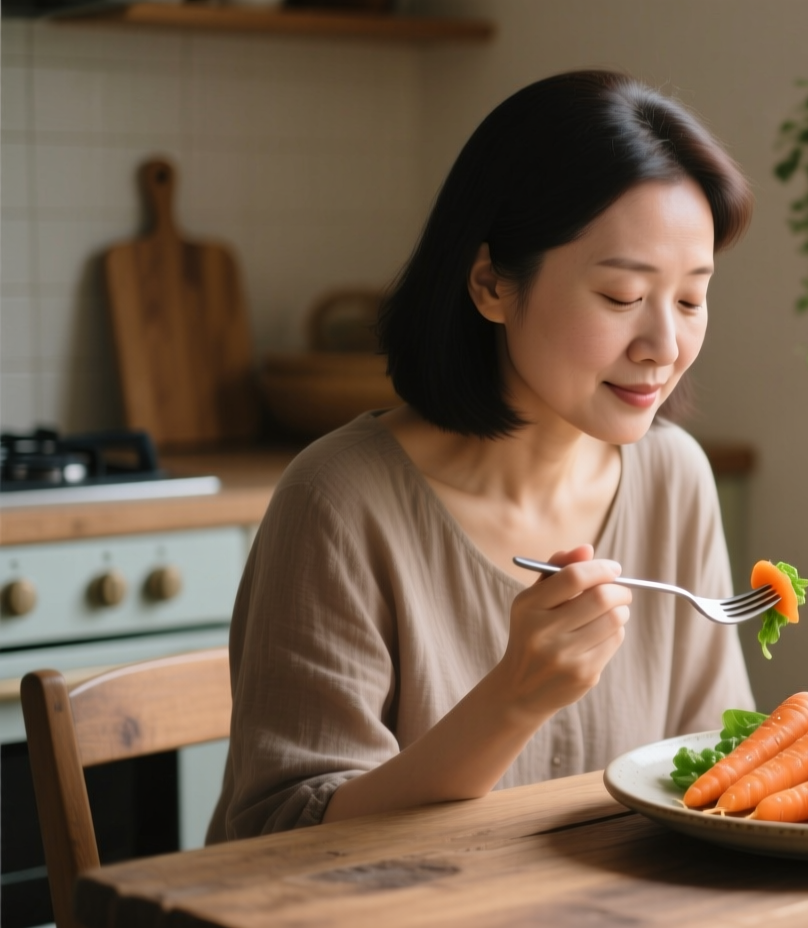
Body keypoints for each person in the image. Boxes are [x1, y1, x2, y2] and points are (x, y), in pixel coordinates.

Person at [208, 71, 756, 841]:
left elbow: (711, 770)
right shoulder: (339, 500)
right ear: (492, 284)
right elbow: (285, 836)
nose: (665, 347)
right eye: (622, 298)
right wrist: (516, 698)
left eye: (692, 299)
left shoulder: (675, 477)